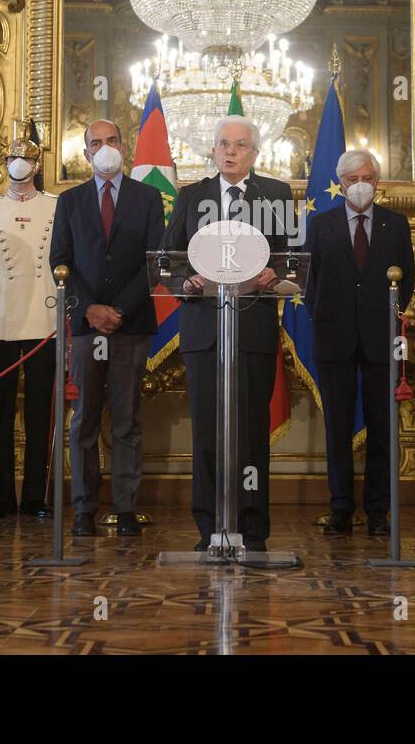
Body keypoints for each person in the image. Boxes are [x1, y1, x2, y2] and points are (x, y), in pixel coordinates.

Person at [162, 116, 292, 552]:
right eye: (223, 144)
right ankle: (210, 527)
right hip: (205, 332)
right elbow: (168, 260)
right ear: (213, 152)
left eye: (240, 145)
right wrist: (187, 282)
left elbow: (292, 257)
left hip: (253, 330)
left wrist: (276, 272)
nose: (231, 151)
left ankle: (252, 528)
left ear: (255, 153)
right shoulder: (190, 196)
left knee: (252, 431)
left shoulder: (275, 195)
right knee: (207, 433)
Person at [50, 119, 164, 538]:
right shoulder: (71, 201)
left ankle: (126, 508)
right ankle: (83, 509)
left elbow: (155, 262)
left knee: (127, 418)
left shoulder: (148, 197)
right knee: (84, 420)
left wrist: (117, 310)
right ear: (86, 154)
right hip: (85, 326)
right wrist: (89, 310)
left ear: (124, 147)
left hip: (131, 324)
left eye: (112, 140)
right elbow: (60, 262)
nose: (105, 147)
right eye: (95, 143)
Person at [303, 148, 414, 536]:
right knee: (337, 427)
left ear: (377, 182)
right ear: (342, 184)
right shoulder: (321, 225)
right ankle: (341, 508)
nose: (360, 185)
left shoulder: (395, 225)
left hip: (381, 338)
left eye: (367, 178)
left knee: (382, 426)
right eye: (352, 180)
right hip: (333, 339)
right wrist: (325, 317)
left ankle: (379, 509)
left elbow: (408, 281)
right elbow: (309, 280)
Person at [0, 122, 58, 521]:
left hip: (44, 319)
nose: (20, 164)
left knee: (40, 412)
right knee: (1, 411)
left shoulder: (57, 207)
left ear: (37, 165)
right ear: (5, 163)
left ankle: (35, 497)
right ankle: (2, 497)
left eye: (27, 158)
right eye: (13, 158)